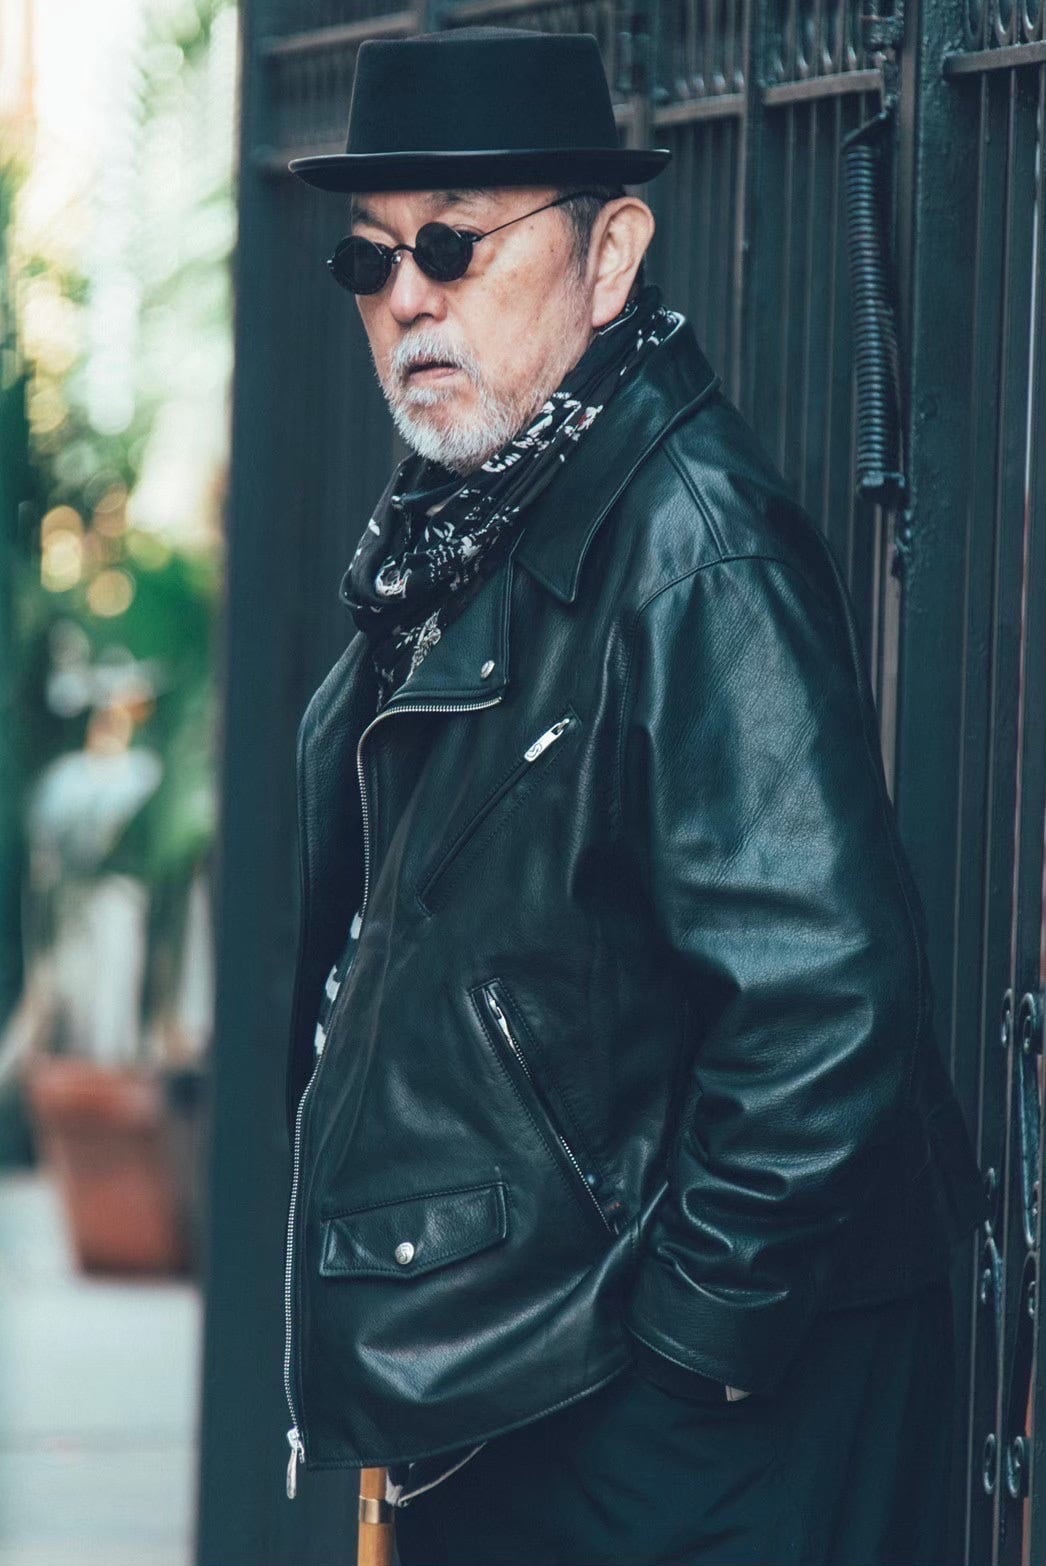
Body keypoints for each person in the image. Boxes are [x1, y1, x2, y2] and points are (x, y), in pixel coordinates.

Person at [282, 26, 988, 1566]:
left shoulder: (690, 547)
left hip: (666, 1426)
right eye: (371, 260)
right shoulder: (465, 527)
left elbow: (821, 1002)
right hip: (531, 1377)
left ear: (608, 258)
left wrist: (689, 1351)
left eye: (454, 244)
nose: (408, 297)